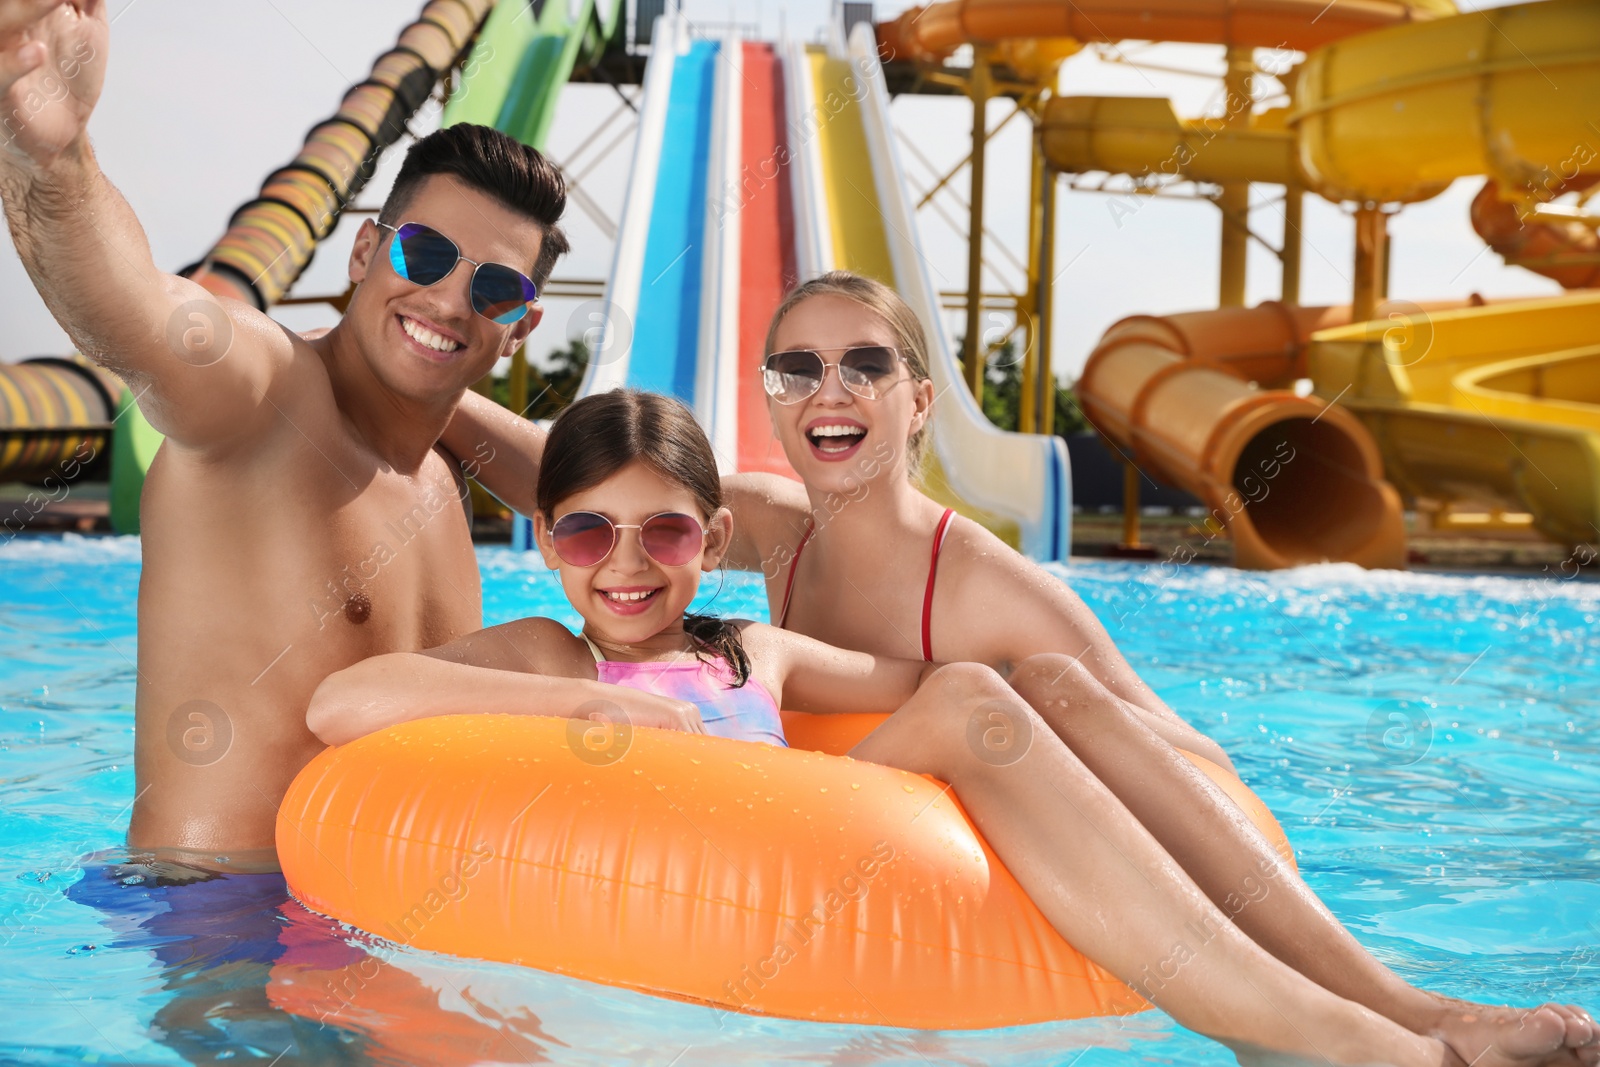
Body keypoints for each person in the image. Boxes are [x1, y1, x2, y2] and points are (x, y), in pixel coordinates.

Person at [312, 389, 1594, 1067]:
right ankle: (1336, 1038)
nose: (628, 566)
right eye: (589, 530)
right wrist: (596, 702)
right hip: (735, 882)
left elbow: (958, 668)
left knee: (1014, 690)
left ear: (711, 540)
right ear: (549, 540)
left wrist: (1126, 716)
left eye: (670, 530)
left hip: (818, 843)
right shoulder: (553, 648)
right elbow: (343, 702)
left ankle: (1396, 1003)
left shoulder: (754, 651)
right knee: (975, 701)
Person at [0, 0, 581, 871]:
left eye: (495, 290)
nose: (451, 300)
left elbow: (623, 500)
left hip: (378, 924)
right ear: (362, 253)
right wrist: (52, 157)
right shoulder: (266, 398)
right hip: (217, 933)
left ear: (521, 328)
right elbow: (135, 312)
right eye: (423, 256)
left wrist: (435, 395)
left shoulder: (439, 472)